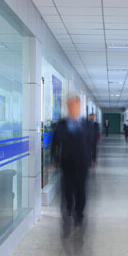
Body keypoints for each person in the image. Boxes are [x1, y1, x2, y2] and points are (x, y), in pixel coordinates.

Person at [50, 95, 92, 225]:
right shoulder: (61, 124)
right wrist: (55, 158)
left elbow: (91, 143)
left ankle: (79, 212)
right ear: (68, 108)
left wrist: (91, 158)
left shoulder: (87, 124)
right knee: (67, 189)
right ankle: (68, 208)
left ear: (79, 107)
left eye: (76, 106)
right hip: (67, 163)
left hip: (82, 163)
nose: (73, 108)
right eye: (71, 106)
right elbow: (55, 143)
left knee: (81, 189)